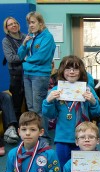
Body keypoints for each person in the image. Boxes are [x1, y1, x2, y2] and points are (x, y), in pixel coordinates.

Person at [42, 55, 100, 170]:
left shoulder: (88, 89)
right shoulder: (56, 90)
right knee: (63, 168)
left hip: (84, 138)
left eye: (75, 69)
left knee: (85, 168)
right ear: (62, 71)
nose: (72, 72)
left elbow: (97, 113)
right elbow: (50, 114)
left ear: (81, 71)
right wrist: (48, 101)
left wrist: (93, 102)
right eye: (68, 69)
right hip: (63, 138)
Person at [17, 11, 56, 141]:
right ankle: (35, 134)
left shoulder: (47, 37)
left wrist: (26, 63)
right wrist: (24, 44)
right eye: (29, 23)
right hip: (28, 75)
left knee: (39, 107)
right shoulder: (31, 37)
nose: (30, 25)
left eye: (33, 22)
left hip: (39, 76)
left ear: (40, 22)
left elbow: (41, 57)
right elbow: (20, 55)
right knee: (31, 107)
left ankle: (43, 136)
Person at [2, 17, 26, 120]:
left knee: (30, 105)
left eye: (15, 23)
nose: (14, 25)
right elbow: (11, 59)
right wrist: (25, 58)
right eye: (10, 24)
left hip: (29, 74)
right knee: (16, 105)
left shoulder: (26, 37)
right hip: (16, 76)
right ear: (7, 28)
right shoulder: (6, 41)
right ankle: (17, 130)